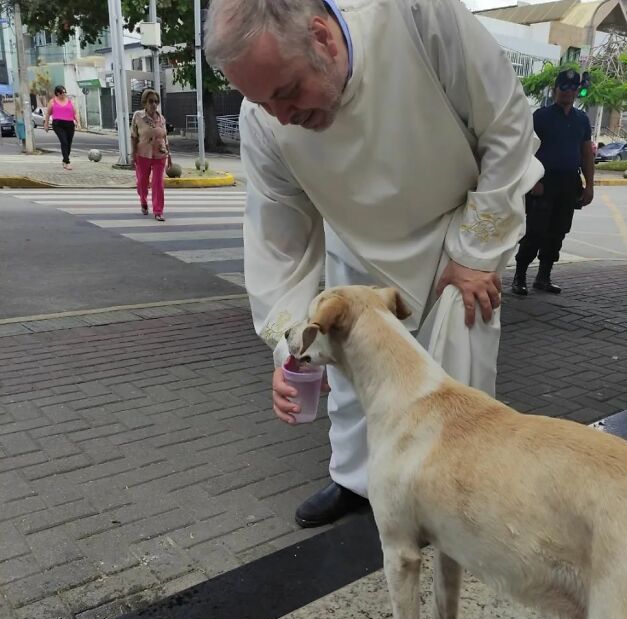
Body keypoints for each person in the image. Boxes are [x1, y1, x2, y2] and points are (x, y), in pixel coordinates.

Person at [204, 0, 543, 527]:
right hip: (356, 244)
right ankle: (355, 482)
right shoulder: (263, 122)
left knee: (458, 379)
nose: (282, 117)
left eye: (288, 92)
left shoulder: (415, 15)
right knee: (351, 386)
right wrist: (292, 346)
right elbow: (279, 241)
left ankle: (449, 501)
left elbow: (507, 127)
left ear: (322, 37)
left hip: (455, 242)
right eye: (261, 101)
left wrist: (476, 254)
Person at [511, 69, 594, 296]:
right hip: (544, 182)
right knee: (536, 231)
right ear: (555, 89)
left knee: (558, 231)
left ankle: (543, 277)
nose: (566, 92)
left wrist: (590, 186)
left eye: (571, 88)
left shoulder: (582, 120)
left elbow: (587, 154)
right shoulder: (541, 116)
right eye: (562, 87)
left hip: (569, 183)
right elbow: (526, 150)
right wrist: (532, 181)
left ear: (577, 91)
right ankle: (519, 276)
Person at [130, 89, 170, 222]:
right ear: (145, 103)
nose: (154, 104)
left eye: (156, 102)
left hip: (160, 154)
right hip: (143, 153)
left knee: (158, 183)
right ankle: (143, 200)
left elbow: (165, 137)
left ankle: (158, 211)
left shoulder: (161, 118)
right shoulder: (138, 116)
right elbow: (134, 136)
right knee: (142, 182)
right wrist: (133, 154)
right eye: (151, 101)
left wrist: (169, 157)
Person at [45, 86, 80, 170]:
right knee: (64, 141)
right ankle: (67, 162)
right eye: (61, 93)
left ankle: (64, 160)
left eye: (64, 92)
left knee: (69, 143)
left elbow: (75, 113)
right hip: (58, 124)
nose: (63, 94)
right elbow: (48, 113)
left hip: (70, 124)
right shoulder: (52, 101)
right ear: (57, 93)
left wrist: (78, 122)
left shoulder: (69, 101)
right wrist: (46, 124)